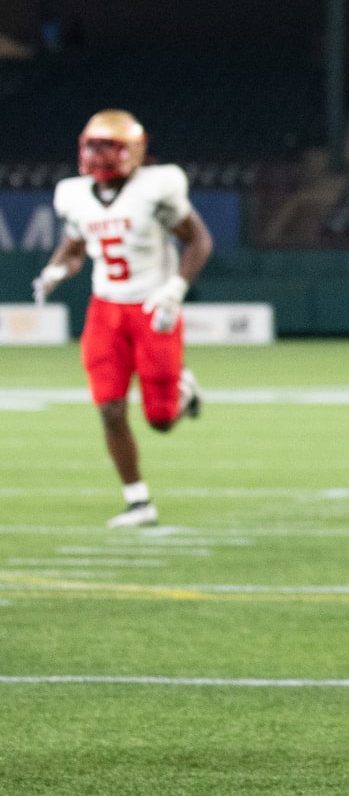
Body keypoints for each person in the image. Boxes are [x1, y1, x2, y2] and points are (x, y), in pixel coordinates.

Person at [34, 109, 213, 527]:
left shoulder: (157, 187)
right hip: (106, 308)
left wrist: (176, 287)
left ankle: (184, 393)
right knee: (110, 409)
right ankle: (138, 502)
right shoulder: (74, 194)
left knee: (161, 420)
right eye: (92, 145)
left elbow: (199, 239)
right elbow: (75, 243)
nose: (98, 155)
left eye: (107, 146)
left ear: (133, 151)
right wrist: (56, 270)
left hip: (153, 306)